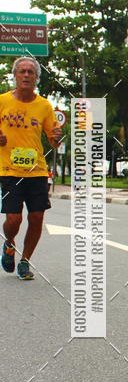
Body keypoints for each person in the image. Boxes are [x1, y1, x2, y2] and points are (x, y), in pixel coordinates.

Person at [0, 56, 60, 280]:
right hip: (9, 170)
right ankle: (9, 243)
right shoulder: (2, 101)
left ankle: (24, 261)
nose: (26, 75)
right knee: (14, 219)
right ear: (15, 76)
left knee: (36, 218)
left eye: (30, 72)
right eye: (22, 71)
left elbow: (54, 141)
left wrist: (56, 138)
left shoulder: (44, 105)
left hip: (36, 172)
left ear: (36, 78)